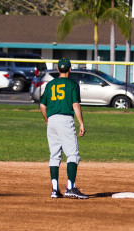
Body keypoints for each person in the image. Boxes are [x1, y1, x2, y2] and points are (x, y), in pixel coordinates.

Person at [39, 58, 88, 199]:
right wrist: (81, 123)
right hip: (65, 119)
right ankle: (70, 187)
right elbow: (75, 105)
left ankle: (55, 190)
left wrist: (48, 120)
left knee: (54, 155)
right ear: (70, 69)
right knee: (72, 154)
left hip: (52, 120)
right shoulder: (72, 84)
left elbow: (42, 106)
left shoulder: (50, 85)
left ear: (58, 69)